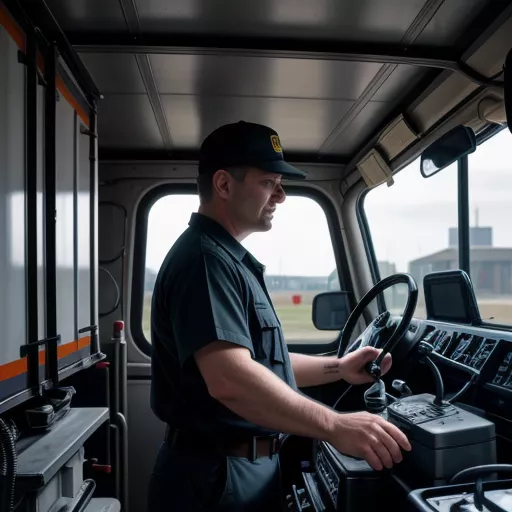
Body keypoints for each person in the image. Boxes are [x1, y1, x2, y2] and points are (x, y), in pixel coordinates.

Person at [147, 121, 411, 512]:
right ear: (223, 185)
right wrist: (336, 426)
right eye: (270, 182)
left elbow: (259, 365)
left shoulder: (224, 260)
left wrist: (338, 367)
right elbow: (231, 379)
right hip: (217, 477)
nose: (281, 196)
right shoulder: (205, 262)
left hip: (238, 468)